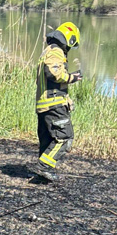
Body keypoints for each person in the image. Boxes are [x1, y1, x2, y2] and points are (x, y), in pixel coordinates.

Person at [33, 21, 83, 182]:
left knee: (48, 140)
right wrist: (72, 77)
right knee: (64, 137)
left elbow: (51, 81)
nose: (69, 49)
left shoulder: (47, 51)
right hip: (53, 105)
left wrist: (67, 99)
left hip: (45, 105)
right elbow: (53, 73)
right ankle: (44, 167)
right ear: (69, 39)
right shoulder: (56, 52)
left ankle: (42, 176)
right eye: (71, 45)